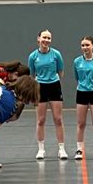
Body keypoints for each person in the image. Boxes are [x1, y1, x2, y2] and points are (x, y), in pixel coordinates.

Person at [28, 30, 68, 160]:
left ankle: (61, 149)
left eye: (49, 38)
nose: (46, 40)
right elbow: (32, 75)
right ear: (39, 39)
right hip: (40, 87)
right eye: (44, 37)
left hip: (54, 86)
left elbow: (61, 71)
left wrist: (53, 80)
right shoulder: (33, 56)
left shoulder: (56, 54)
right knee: (41, 120)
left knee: (58, 118)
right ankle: (41, 149)